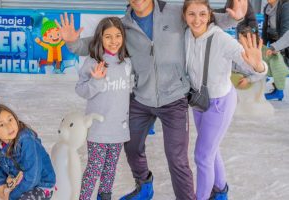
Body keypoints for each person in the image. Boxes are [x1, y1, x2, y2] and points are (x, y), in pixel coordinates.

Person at [57, 0, 248, 199]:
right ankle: (144, 186)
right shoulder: (124, 25)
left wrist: (235, 18)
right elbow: (95, 42)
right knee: (131, 146)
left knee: (177, 158)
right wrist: (72, 42)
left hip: (174, 98)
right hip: (141, 98)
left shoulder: (175, 13)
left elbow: (205, 19)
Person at [182, 0, 267, 199]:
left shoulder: (221, 39)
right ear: (184, 16)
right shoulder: (186, 35)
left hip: (219, 104)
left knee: (202, 156)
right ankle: (220, 190)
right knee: (211, 149)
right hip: (198, 102)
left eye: (202, 14)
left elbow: (250, 65)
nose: (197, 20)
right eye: (192, 14)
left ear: (210, 14)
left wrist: (258, 66)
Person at [74, 17, 131, 200]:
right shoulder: (93, 62)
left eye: (117, 35)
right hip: (98, 128)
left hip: (118, 128)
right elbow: (81, 90)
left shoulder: (127, 63)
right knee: (94, 169)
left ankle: (104, 197)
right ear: (100, 38)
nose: (114, 41)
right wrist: (96, 81)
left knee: (110, 168)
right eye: (108, 36)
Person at [0, 104, 55, 200]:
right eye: (1, 125)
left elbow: (32, 178)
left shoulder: (27, 141)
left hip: (40, 185)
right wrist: (0, 184)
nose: (9, 126)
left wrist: (11, 196)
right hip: (15, 179)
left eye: (10, 119)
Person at [262, 0, 289, 65]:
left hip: (284, 45)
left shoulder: (285, 6)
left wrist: (279, 50)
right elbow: (265, 28)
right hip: (273, 40)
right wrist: (263, 47)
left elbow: (285, 31)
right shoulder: (267, 7)